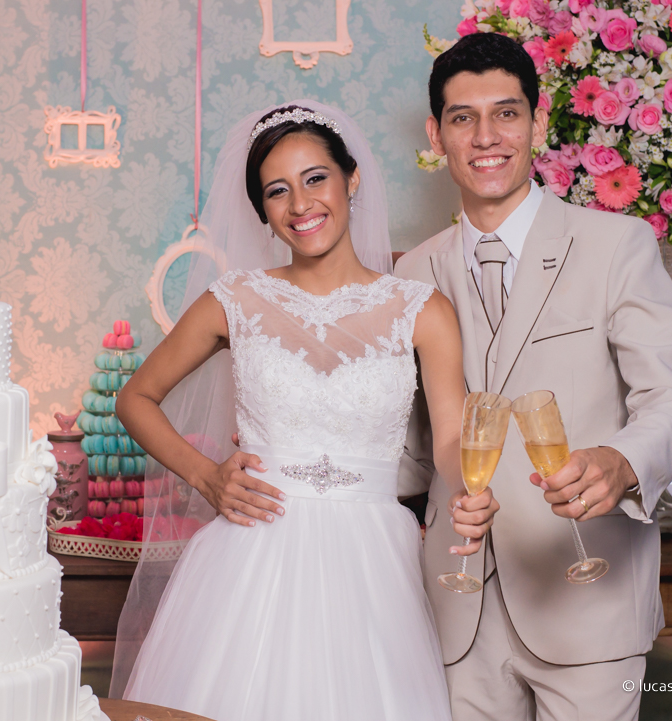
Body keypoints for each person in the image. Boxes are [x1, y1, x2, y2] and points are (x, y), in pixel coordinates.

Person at [114, 101, 496, 720]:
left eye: (315, 178)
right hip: (250, 556)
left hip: (372, 560)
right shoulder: (234, 299)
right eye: (277, 191)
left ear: (352, 179)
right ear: (262, 211)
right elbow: (134, 398)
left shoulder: (421, 309)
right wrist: (206, 476)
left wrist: (470, 489)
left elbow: (451, 440)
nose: (300, 204)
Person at [394, 33, 672, 721]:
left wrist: (622, 461)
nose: (486, 137)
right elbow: (414, 448)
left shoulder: (617, 244)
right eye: (463, 117)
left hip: (588, 597)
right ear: (436, 136)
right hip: (456, 606)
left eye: (506, 113)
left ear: (538, 124)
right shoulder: (411, 272)